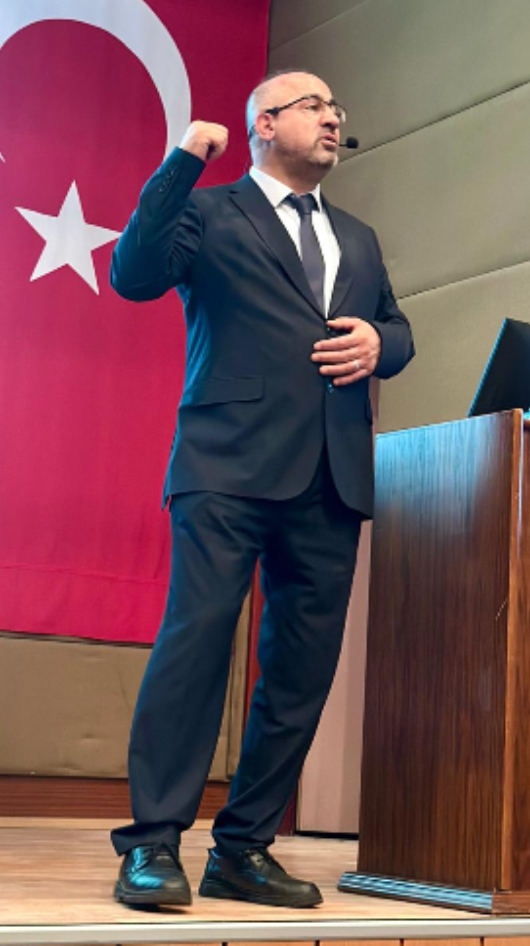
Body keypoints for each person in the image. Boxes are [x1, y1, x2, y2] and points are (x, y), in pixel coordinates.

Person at [109, 70, 414, 909]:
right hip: (226, 466)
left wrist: (379, 345)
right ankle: (152, 844)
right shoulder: (210, 210)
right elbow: (133, 274)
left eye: (337, 108)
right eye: (315, 105)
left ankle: (243, 849)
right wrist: (181, 162)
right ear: (265, 123)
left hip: (331, 475)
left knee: (301, 670)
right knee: (197, 645)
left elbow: (398, 328)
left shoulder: (359, 237)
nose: (333, 117)